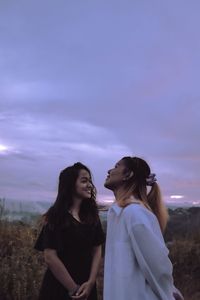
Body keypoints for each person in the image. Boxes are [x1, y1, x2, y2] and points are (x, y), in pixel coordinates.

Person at [103, 156, 184, 300]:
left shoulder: (135, 214)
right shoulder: (116, 214)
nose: (109, 170)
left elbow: (158, 267)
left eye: (116, 166)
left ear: (128, 174)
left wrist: (169, 293)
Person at [34, 162, 105, 300]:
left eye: (90, 181)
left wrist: (91, 282)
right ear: (70, 185)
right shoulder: (56, 216)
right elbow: (50, 256)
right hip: (59, 288)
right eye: (84, 181)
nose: (90, 185)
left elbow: (97, 249)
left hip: (87, 287)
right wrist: (73, 289)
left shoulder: (91, 216)